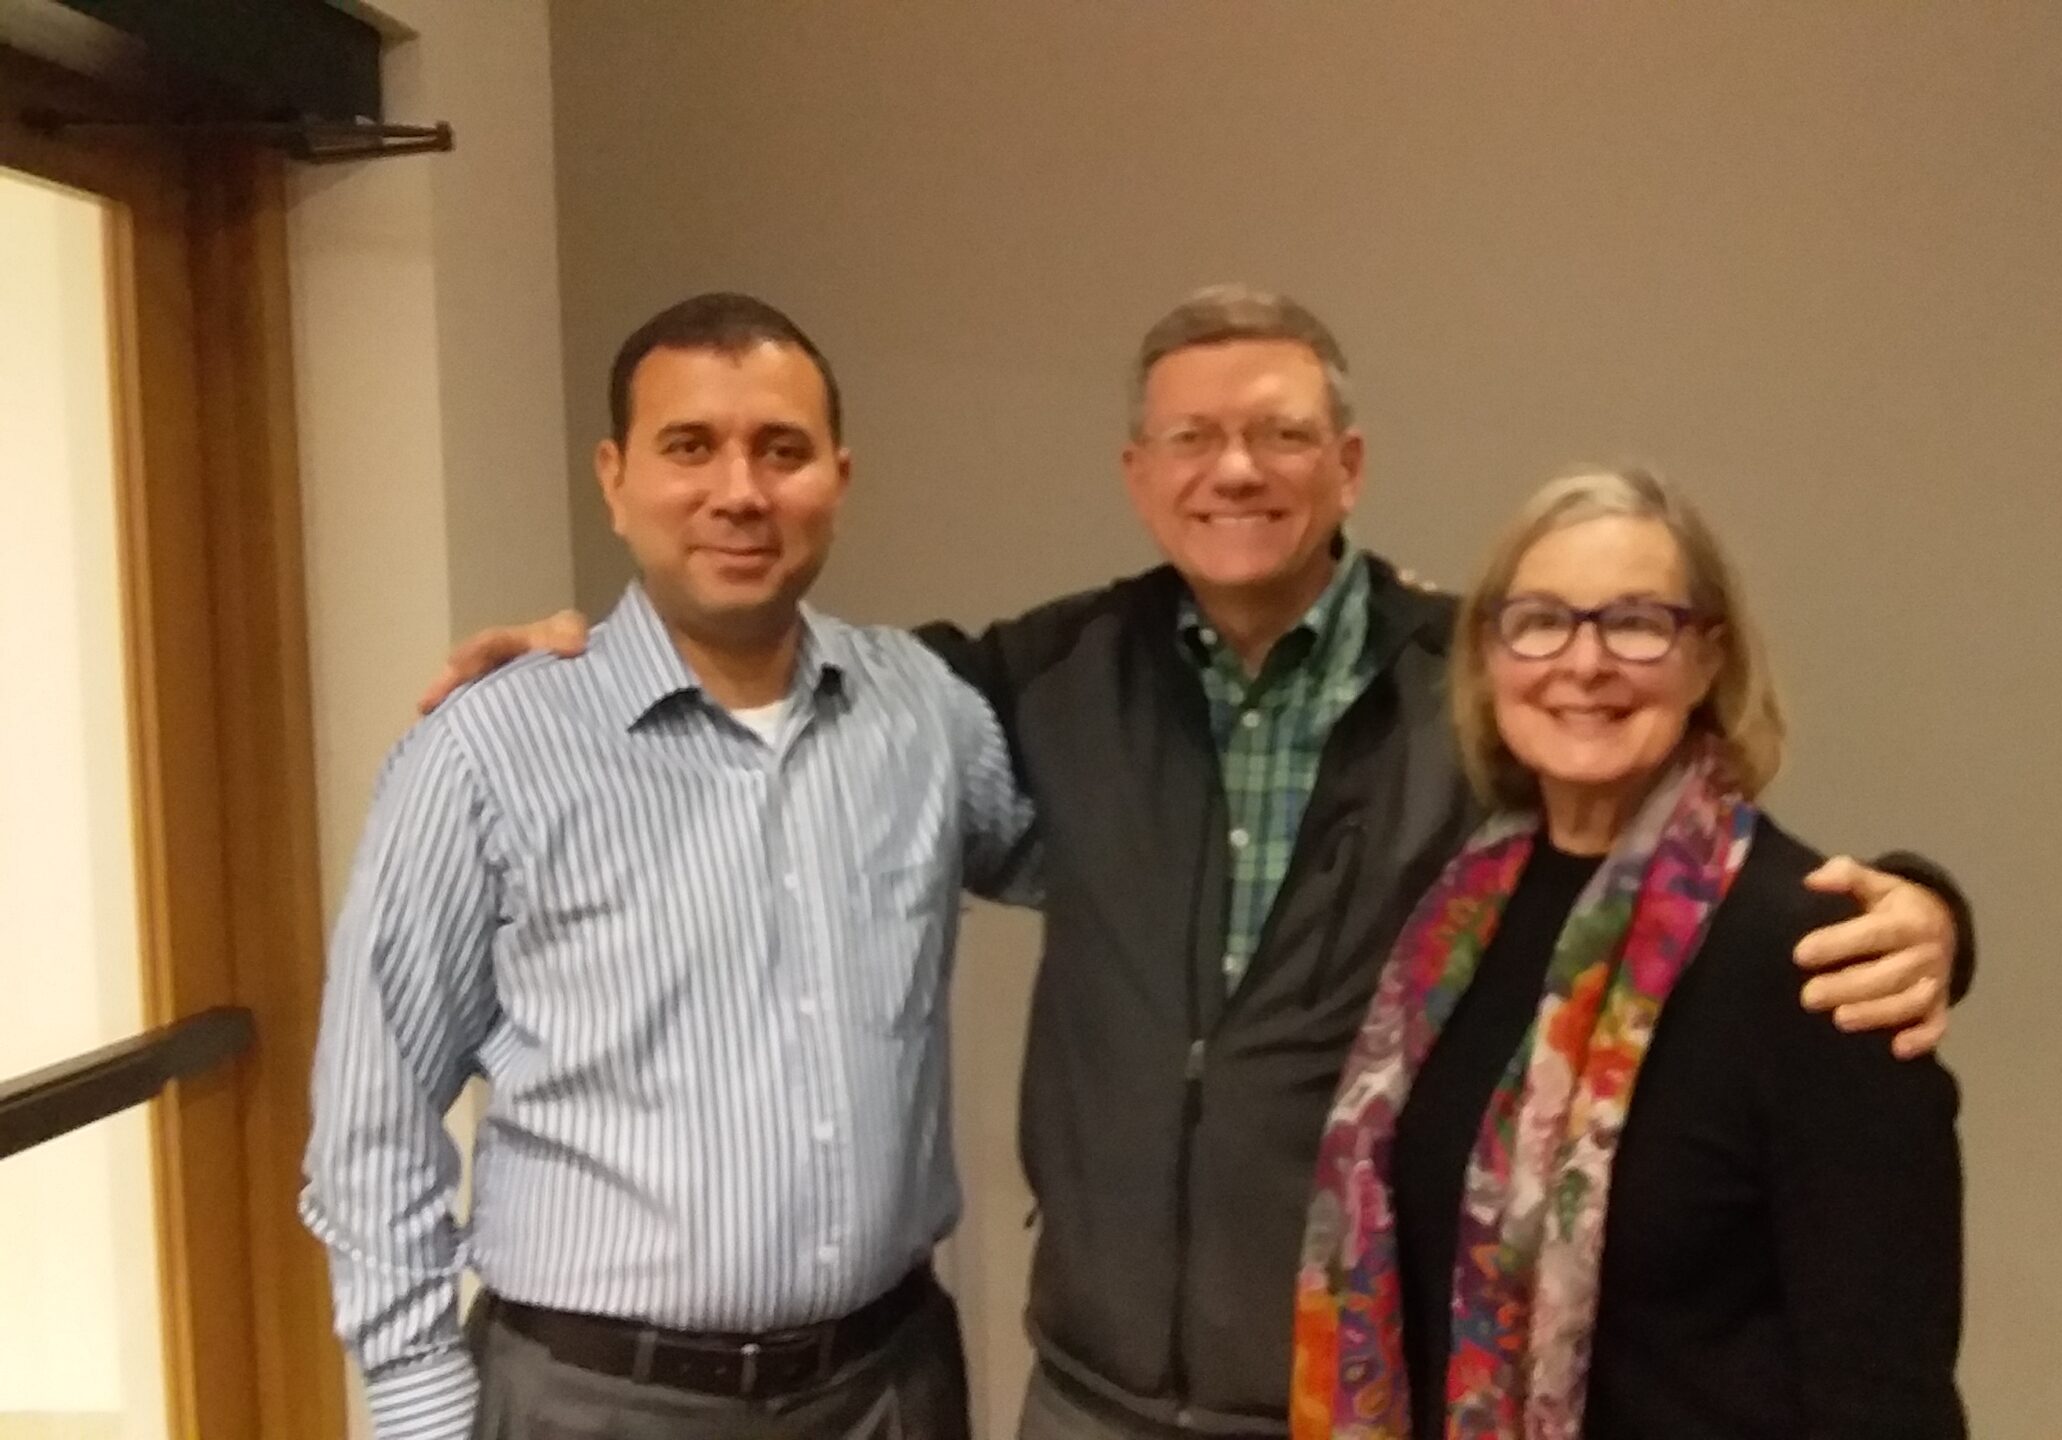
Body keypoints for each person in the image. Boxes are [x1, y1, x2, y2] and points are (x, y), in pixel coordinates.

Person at [423, 285, 1974, 1440]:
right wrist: (586, 659)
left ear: (1348, 463)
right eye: (1192, 437)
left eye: (1281, 434)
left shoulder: (1475, 687)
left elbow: (1667, 869)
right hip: (1091, 1396)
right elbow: (786, 678)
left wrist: (1929, 910)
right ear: (1138, 472)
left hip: (1343, 1396)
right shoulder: (1035, 682)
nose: (1235, 469)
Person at [302, 293, 1033, 1440]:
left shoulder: (922, 716)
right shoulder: (487, 751)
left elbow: (1111, 862)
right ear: (615, 478)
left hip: (886, 1391)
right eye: (689, 447)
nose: (739, 492)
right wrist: (422, 1409)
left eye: (781, 450)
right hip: (594, 1403)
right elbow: (374, 1114)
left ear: (838, 478)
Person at [1294, 466, 1964, 1440]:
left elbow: (1884, 1395)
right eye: (1540, 621)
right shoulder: (1446, 931)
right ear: (1488, 656)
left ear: (1708, 660)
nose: (1585, 662)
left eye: (1637, 623)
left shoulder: (1820, 955)